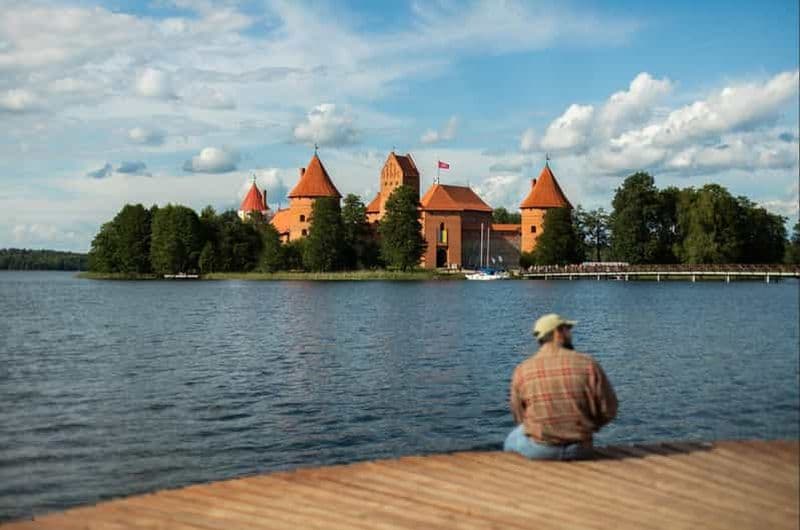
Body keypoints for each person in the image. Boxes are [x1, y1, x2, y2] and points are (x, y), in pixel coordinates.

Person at [504, 313, 618, 460]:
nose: (570, 334)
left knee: (512, 438)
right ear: (558, 333)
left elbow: (519, 414)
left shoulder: (522, 370)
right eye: (567, 329)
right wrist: (590, 427)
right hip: (580, 449)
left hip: (540, 451)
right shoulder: (588, 364)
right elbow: (609, 408)